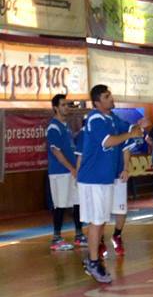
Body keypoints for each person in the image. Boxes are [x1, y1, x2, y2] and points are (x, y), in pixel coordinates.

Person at [76, 84, 143, 284]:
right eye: (106, 96)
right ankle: (93, 261)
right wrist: (130, 134)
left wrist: (137, 127)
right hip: (93, 178)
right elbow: (107, 141)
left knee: (101, 221)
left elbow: (129, 128)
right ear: (97, 102)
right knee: (96, 222)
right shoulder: (95, 119)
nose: (111, 98)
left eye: (110, 95)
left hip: (105, 179)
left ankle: (94, 259)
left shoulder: (112, 118)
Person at [46, 93, 86, 251]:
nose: (66, 107)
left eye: (68, 104)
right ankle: (56, 239)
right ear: (55, 108)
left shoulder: (66, 127)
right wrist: (71, 168)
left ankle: (79, 235)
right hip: (60, 173)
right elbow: (56, 152)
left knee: (77, 203)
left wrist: (75, 169)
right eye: (63, 105)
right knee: (60, 205)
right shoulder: (53, 127)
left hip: (71, 172)